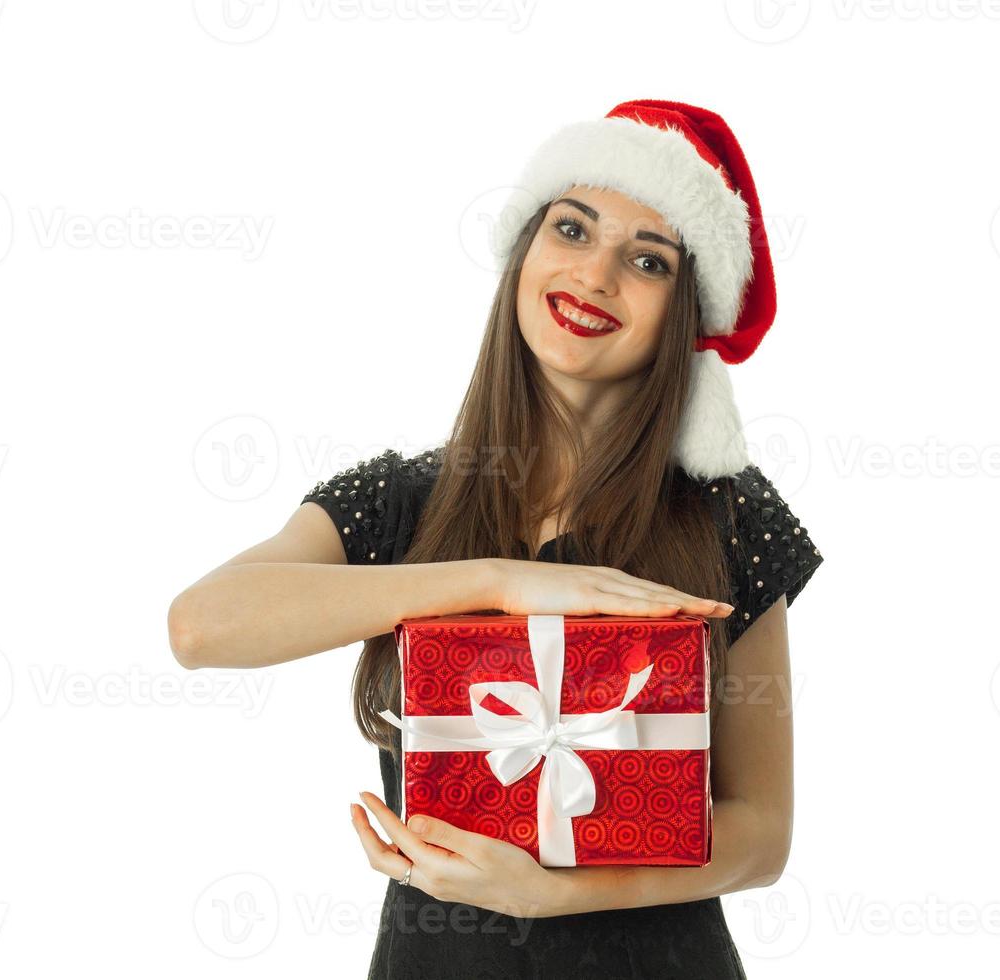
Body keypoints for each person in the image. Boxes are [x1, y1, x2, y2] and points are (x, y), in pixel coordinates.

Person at [168, 99, 824, 979]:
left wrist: (554, 891)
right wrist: (499, 581)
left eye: (646, 259)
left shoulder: (727, 518)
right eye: (571, 228)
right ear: (525, 249)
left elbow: (761, 833)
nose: (594, 277)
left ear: (684, 308)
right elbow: (201, 627)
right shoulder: (399, 502)